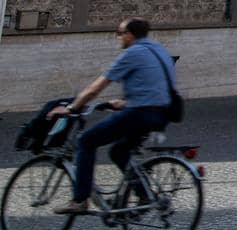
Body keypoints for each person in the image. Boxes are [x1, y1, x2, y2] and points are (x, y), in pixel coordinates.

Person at [47, 17, 177, 214]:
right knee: (119, 152)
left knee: (86, 141)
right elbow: (158, 87)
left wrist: (72, 108)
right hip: (161, 114)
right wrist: (124, 102)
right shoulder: (159, 50)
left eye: (120, 33)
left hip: (139, 113)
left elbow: (95, 88)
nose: (118, 37)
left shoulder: (133, 53)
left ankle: (80, 200)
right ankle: (145, 194)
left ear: (130, 35)